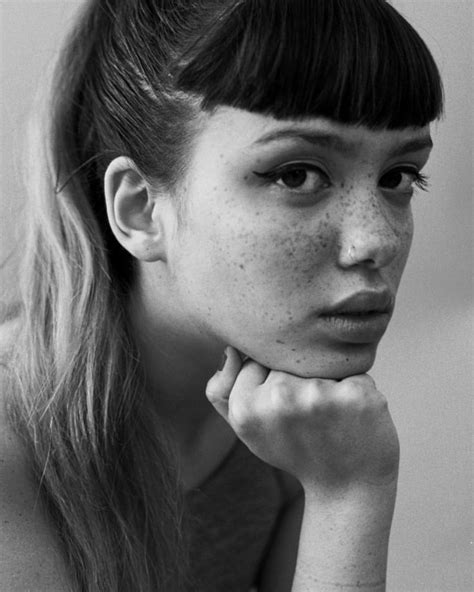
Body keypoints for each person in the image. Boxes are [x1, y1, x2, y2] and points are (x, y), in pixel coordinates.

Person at [0, 0, 443, 590]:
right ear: (140, 209)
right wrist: (349, 494)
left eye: (399, 177)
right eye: (295, 174)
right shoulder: (13, 453)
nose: (376, 241)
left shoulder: (287, 421)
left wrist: (348, 491)